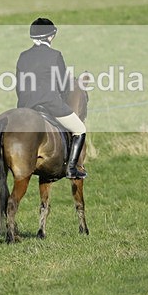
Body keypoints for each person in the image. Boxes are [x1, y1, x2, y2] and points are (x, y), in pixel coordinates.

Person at [15, 18, 87, 179]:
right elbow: (62, 85)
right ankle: (71, 168)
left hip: (26, 107)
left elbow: (19, 86)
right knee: (80, 129)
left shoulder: (23, 56)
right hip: (50, 104)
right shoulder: (55, 55)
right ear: (50, 36)